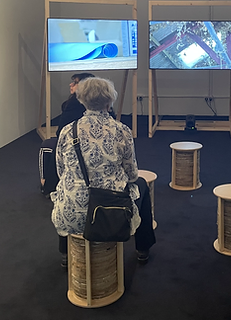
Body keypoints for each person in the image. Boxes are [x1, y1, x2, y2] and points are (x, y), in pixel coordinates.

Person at [51, 77, 156, 267]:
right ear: (109, 101)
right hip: (109, 213)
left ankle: (65, 255)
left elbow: (61, 172)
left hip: (72, 214)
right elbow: (132, 174)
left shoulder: (68, 131)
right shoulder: (121, 130)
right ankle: (143, 249)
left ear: (81, 100)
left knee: (66, 189)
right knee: (141, 185)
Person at [39, 73, 95, 196]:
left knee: (47, 145)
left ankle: (47, 184)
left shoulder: (73, 103)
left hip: (73, 145)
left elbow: (61, 133)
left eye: (75, 82)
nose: (71, 84)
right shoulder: (103, 108)